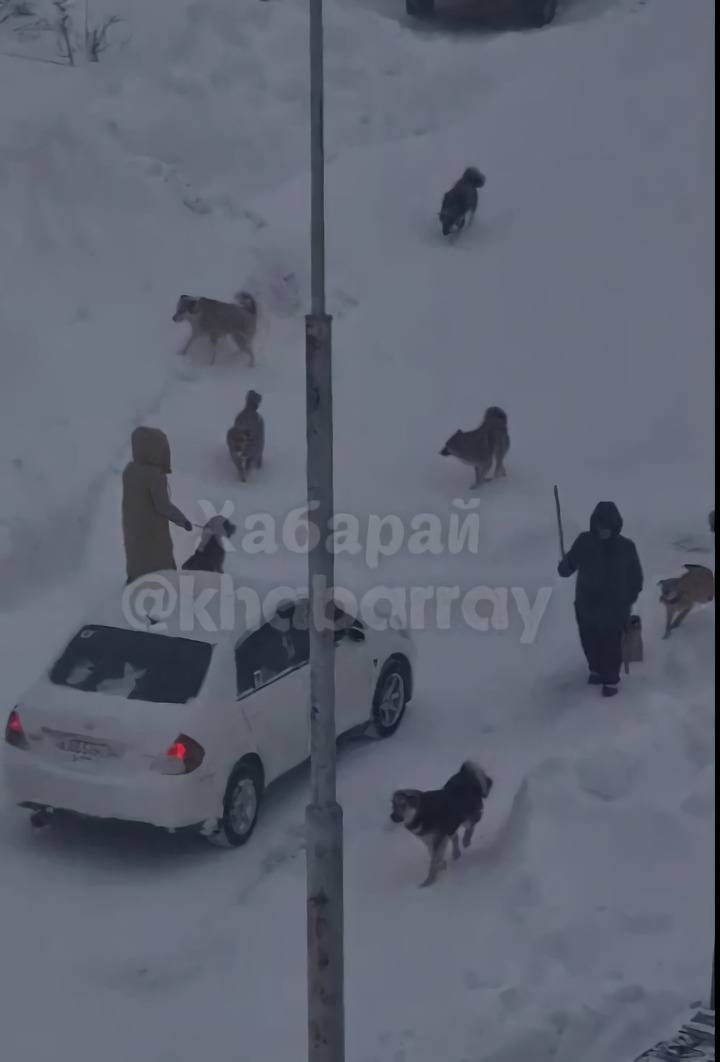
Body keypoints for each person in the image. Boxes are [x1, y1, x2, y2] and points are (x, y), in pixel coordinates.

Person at [558, 501, 643, 698]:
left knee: (610, 643)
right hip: (586, 603)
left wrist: (628, 599)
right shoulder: (584, 541)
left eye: (607, 526)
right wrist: (564, 566)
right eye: (599, 526)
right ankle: (595, 669)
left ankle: (611, 680)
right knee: (589, 640)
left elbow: (636, 578)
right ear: (593, 524)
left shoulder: (626, 547)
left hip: (614, 607)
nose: (603, 530)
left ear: (616, 526)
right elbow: (569, 565)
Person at [122, 426, 192, 584]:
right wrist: (182, 521)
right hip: (152, 531)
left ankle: (135, 581)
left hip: (132, 529)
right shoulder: (154, 476)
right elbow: (163, 506)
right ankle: (166, 586)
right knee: (160, 559)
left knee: (137, 557)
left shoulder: (129, 471)